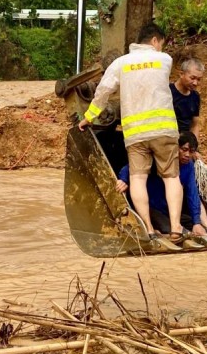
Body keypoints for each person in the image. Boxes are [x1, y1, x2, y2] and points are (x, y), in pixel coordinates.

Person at [78, 23, 184, 242]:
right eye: (161, 43)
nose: (161, 47)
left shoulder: (120, 63)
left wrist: (89, 117)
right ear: (155, 40)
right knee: (171, 177)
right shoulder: (164, 59)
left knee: (137, 178)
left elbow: (103, 92)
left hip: (135, 134)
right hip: (163, 130)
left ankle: (149, 229)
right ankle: (176, 228)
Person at [116, 131, 206, 237]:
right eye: (184, 150)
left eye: (191, 152)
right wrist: (123, 179)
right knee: (167, 227)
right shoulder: (161, 158)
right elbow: (131, 168)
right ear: (176, 147)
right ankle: (155, 230)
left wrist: (196, 222)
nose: (187, 155)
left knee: (193, 224)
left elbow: (192, 193)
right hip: (152, 208)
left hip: (168, 210)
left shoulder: (189, 166)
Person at [170, 58, 204, 136]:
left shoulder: (195, 97)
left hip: (185, 140)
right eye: (192, 78)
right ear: (181, 74)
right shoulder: (167, 92)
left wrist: (194, 141)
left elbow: (194, 125)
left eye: (199, 79)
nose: (195, 83)